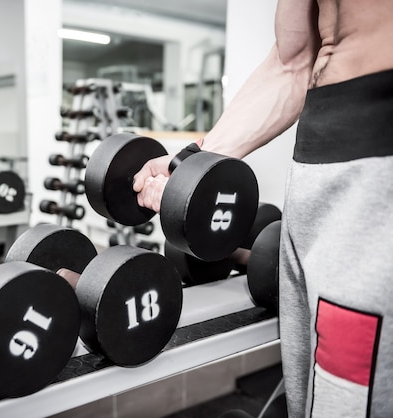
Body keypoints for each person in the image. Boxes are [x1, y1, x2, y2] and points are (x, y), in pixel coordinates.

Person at [133, 1, 393, 417]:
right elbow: (291, 63)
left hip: (377, 171)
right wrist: (189, 164)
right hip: (315, 167)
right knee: (309, 393)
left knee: (350, 395)